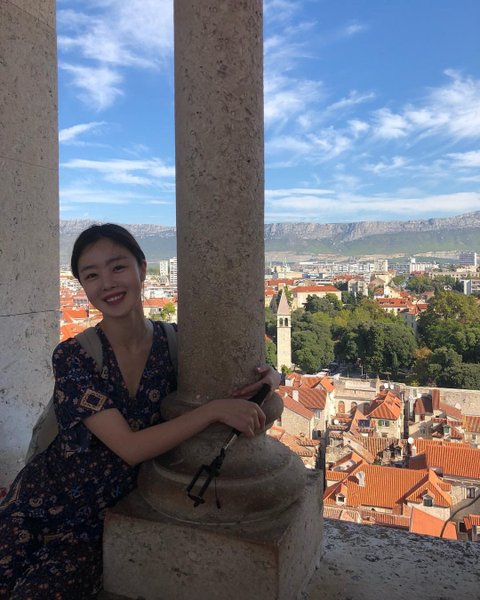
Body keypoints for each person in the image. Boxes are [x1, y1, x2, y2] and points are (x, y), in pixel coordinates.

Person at [0, 224, 281, 599]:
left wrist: (271, 378)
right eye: (91, 275)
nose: (107, 284)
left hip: (95, 526)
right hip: (39, 504)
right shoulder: (73, 357)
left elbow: (237, 381)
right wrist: (213, 411)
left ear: (142, 268)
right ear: (82, 286)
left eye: (117, 267)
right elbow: (129, 448)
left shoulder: (178, 346)